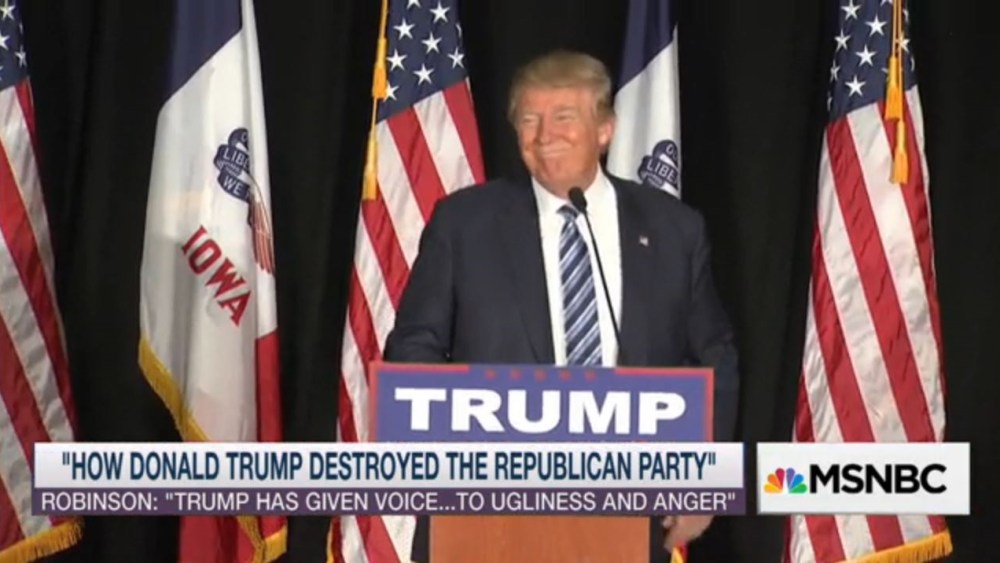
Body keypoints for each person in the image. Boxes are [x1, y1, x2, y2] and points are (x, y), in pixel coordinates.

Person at [385, 49, 740, 563]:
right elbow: (413, 348)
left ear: (605, 130)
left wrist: (705, 483)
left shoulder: (673, 229)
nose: (544, 135)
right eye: (529, 120)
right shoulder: (463, 224)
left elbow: (715, 358)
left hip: (626, 508)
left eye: (563, 117)